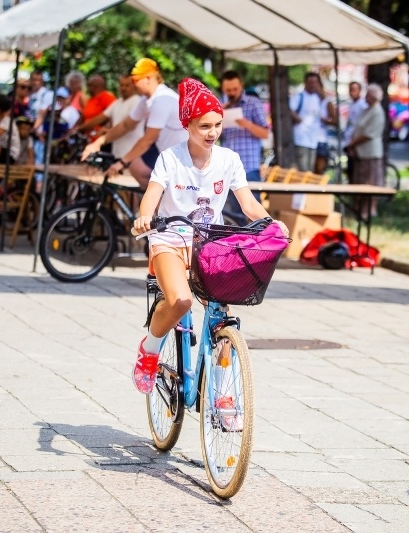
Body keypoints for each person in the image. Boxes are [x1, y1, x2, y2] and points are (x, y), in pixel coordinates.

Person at [130, 78, 289, 395]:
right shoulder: (171, 158)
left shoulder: (229, 160)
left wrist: (272, 222)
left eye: (217, 124)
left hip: (208, 244)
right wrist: (144, 217)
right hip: (169, 241)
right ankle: (148, 350)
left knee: (222, 318)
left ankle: (223, 393)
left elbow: (248, 204)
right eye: (204, 126)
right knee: (180, 300)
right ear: (186, 124)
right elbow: (151, 195)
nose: (212, 132)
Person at [81, 58, 188, 187]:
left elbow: (148, 139)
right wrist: (99, 142)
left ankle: (162, 204)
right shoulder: (146, 99)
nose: (133, 85)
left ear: (149, 78)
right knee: (137, 168)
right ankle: (157, 204)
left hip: (183, 155)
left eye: (135, 80)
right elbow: (126, 125)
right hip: (167, 150)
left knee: (138, 170)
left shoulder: (162, 100)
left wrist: (121, 163)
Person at [219, 70, 269, 215]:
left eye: (235, 89)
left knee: (253, 211)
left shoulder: (253, 103)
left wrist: (247, 124)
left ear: (241, 86)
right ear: (223, 89)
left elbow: (265, 133)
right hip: (227, 167)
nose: (232, 93)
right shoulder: (222, 107)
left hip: (249, 167)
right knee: (234, 213)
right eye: (228, 90)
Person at [71, 74, 142, 159]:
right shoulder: (117, 103)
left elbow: (127, 126)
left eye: (127, 85)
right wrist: (79, 128)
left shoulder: (137, 101)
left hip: (132, 152)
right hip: (117, 152)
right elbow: (100, 118)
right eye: (121, 85)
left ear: (134, 86)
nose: (123, 88)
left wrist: (107, 132)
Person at [345, 83, 386, 218]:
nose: (365, 97)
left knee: (370, 182)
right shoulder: (367, 109)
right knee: (359, 180)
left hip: (370, 153)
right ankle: (359, 208)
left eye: (368, 94)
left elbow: (369, 134)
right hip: (360, 153)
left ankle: (369, 210)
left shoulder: (377, 112)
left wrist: (353, 144)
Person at [289, 72, 324, 172]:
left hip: (313, 139)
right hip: (301, 138)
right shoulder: (299, 96)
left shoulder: (317, 97)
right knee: (303, 170)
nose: (313, 85)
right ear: (305, 83)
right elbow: (290, 110)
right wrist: (298, 118)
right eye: (310, 82)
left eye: (315, 82)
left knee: (310, 170)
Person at [343, 81, 367, 181]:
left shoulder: (362, 105)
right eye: (350, 90)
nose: (352, 92)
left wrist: (353, 143)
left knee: (355, 170)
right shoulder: (352, 104)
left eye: (354, 90)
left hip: (355, 141)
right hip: (350, 140)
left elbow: (361, 126)